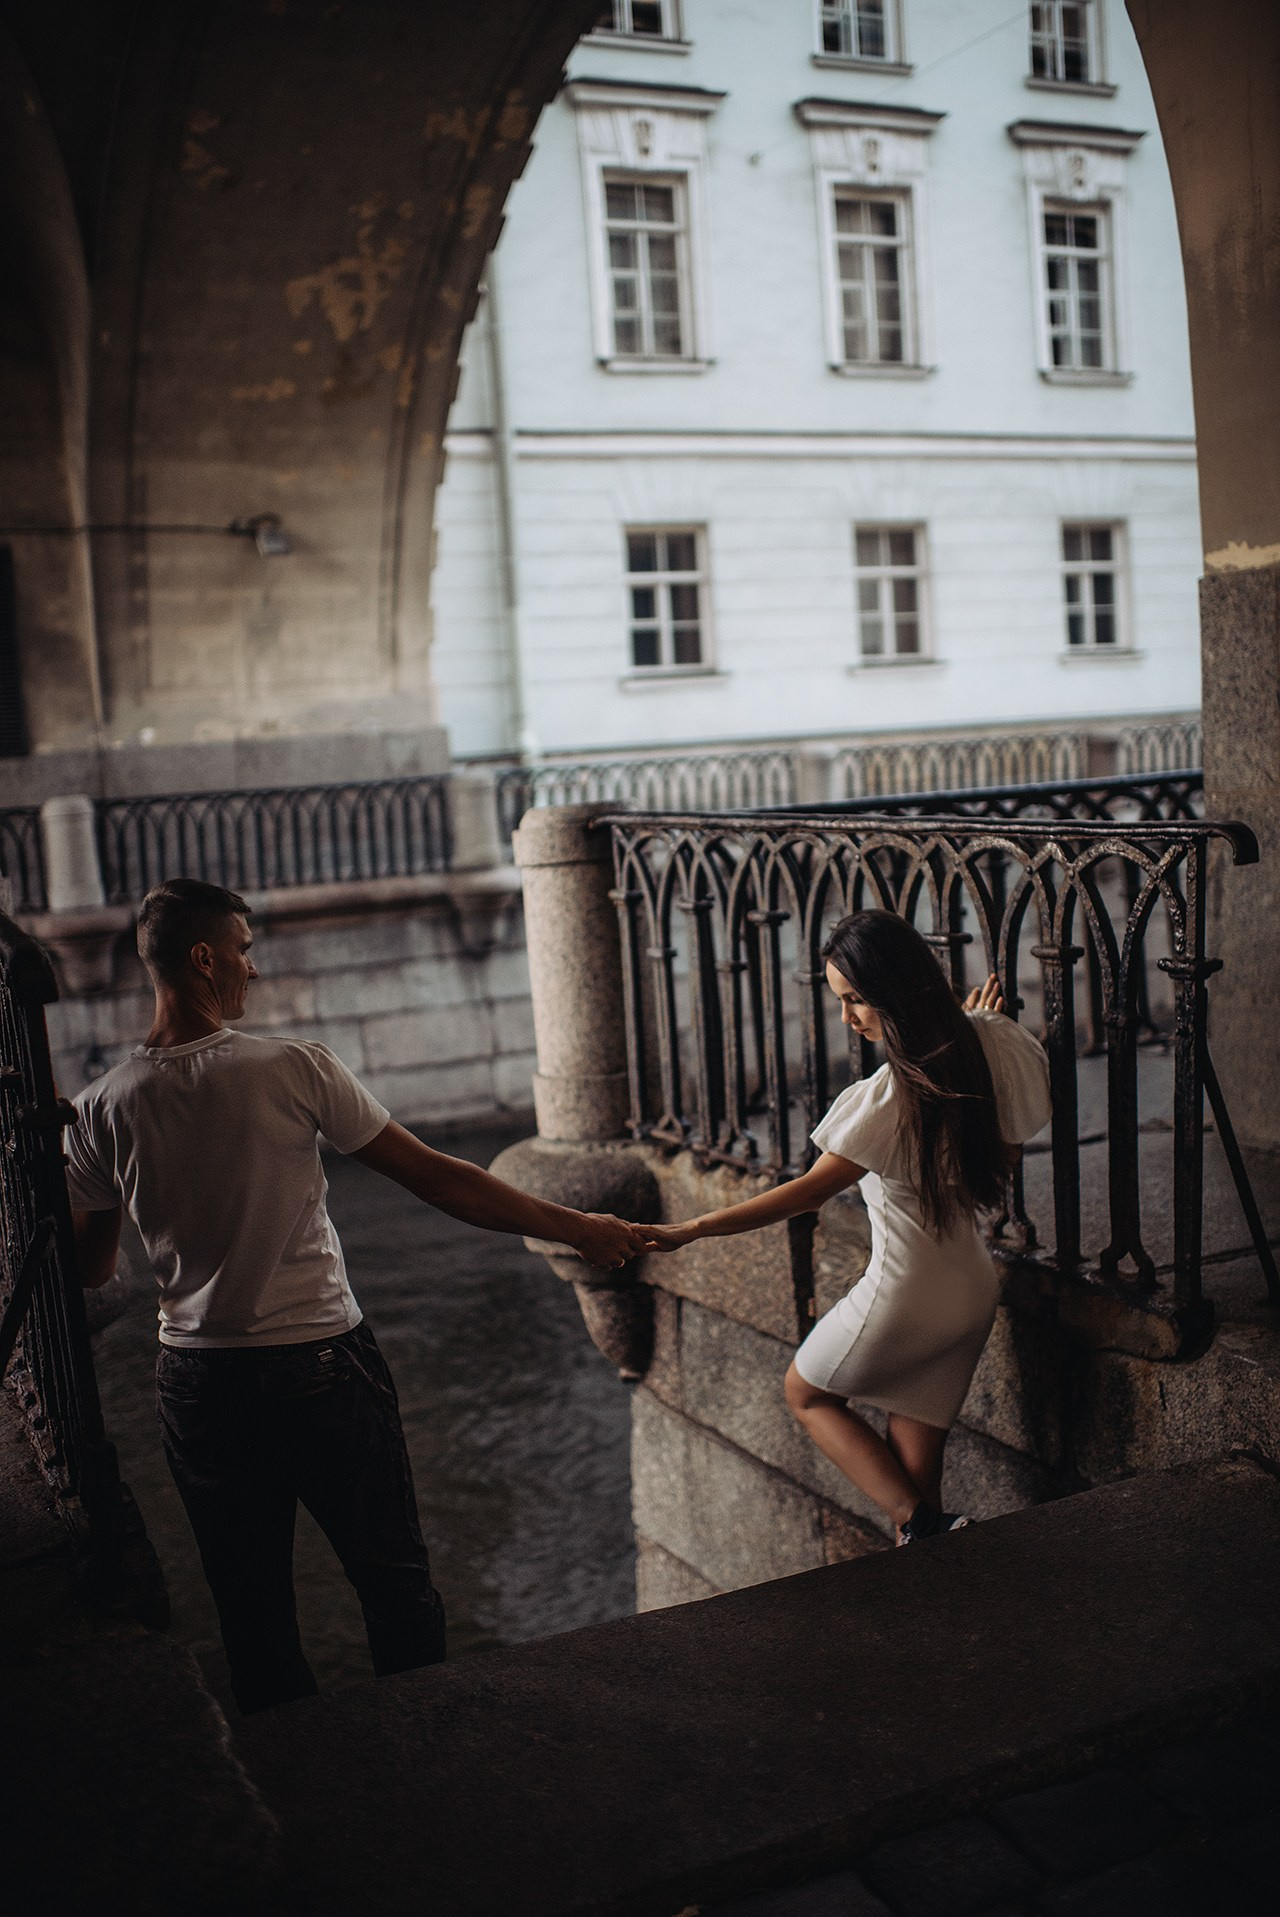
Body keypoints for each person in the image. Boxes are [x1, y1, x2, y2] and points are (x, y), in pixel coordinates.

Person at [65, 877, 648, 1713]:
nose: (253, 968)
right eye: (243, 950)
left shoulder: (98, 1107)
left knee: (252, 1616)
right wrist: (578, 1227)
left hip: (197, 1382)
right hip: (318, 1364)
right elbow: (440, 1180)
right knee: (395, 1589)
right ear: (204, 958)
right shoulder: (291, 1066)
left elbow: (92, 1269)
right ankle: (419, 1749)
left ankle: (299, 1775)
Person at [643, 910, 1051, 1545]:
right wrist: (977, 1025)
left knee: (805, 1393)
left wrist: (691, 1228)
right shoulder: (992, 1044)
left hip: (905, 1294)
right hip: (971, 1292)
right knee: (917, 1486)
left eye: (856, 999)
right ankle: (930, 1554)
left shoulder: (889, 1099)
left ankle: (922, 1527)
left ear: (896, 990)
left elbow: (805, 1194)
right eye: (840, 1000)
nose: (846, 1018)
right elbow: (1008, 1149)